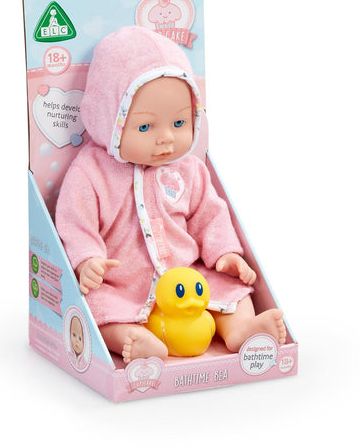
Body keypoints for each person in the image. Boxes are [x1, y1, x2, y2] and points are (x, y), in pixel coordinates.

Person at [56, 26, 286, 364]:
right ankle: (132, 339)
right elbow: (76, 221)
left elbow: (210, 214)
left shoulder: (189, 169)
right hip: (124, 284)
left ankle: (241, 330)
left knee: (232, 290)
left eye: (178, 124)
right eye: (145, 127)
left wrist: (225, 253)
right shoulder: (91, 172)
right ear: (109, 118)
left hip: (187, 275)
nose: (166, 138)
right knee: (98, 308)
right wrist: (87, 259)